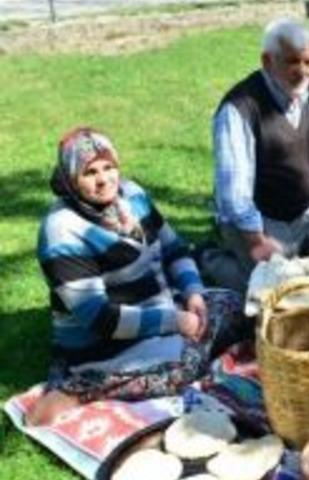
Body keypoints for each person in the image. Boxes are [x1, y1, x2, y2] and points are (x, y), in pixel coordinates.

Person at [30, 127, 242, 426]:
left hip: (160, 310)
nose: (104, 180)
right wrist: (175, 320)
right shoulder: (61, 231)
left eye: (109, 167)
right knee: (184, 367)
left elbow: (174, 249)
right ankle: (80, 390)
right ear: (70, 179)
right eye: (90, 172)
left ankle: (192, 348)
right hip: (106, 343)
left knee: (235, 305)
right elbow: (101, 318)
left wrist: (193, 292)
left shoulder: (133, 195)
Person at [209, 18, 309, 293]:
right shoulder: (239, 109)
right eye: (292, 62)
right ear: (267, 61)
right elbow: (234, 196)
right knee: (277, 293)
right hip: (256, 223)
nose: (303, 72)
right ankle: (213, 259)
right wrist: (256, 242)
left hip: (302, 213)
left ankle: (289, 253)